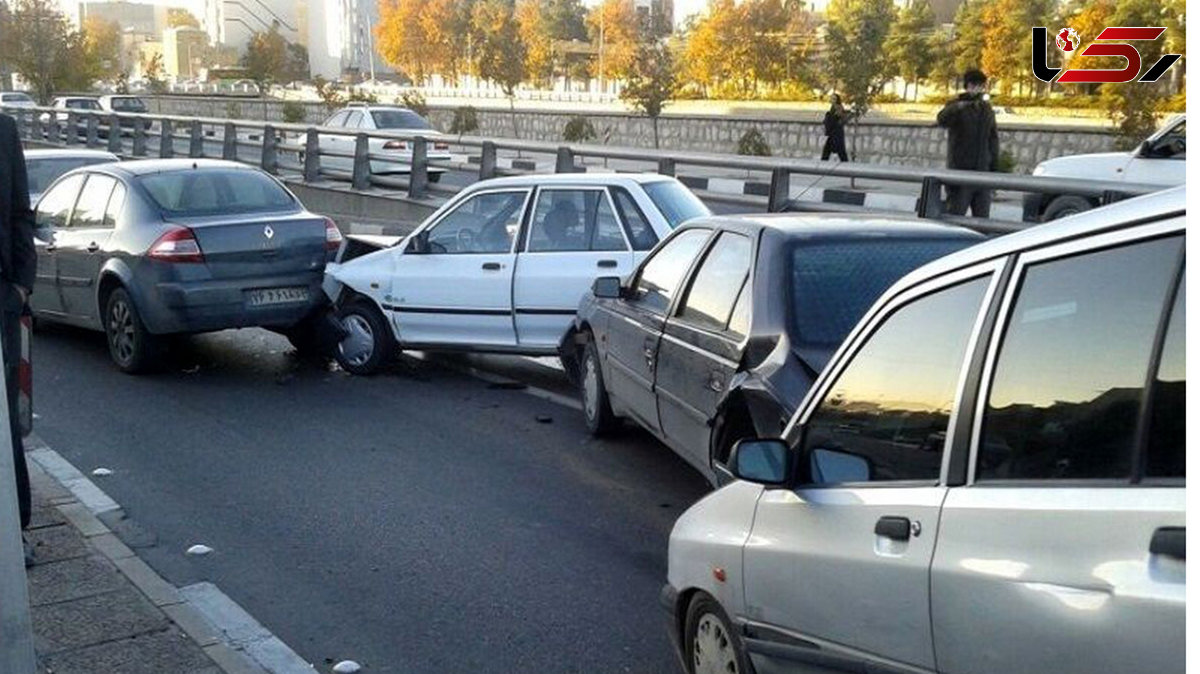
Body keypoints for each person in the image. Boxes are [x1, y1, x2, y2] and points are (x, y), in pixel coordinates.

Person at [0, 112, 35, 562]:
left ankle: (15, 529)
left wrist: (21, 284)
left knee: (5, 420)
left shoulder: (4, 130)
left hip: (1, 295)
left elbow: (21, 214)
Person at [936, 69, 1000, 217]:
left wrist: (994, 169)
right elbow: (941, 120)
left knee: (982, 219)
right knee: (956, 215)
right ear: (968, 85)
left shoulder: (986, 108)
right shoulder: (956, 105)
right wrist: (958, 107)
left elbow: (993, 139)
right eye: (974, 85)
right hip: (961, 171)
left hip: (983, 172)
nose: (978, 89)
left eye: (981, 86)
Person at [821, 94, 849, 162]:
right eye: (831, 98)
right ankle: (823, 163)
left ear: (837, 100)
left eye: (834, 99)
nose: (832, 100)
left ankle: (846, 165)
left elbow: (838, 118)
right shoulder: (833, 107)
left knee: (840, 150)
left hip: (837, 133)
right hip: (833, 133)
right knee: (827, 150)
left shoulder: (838, 107)